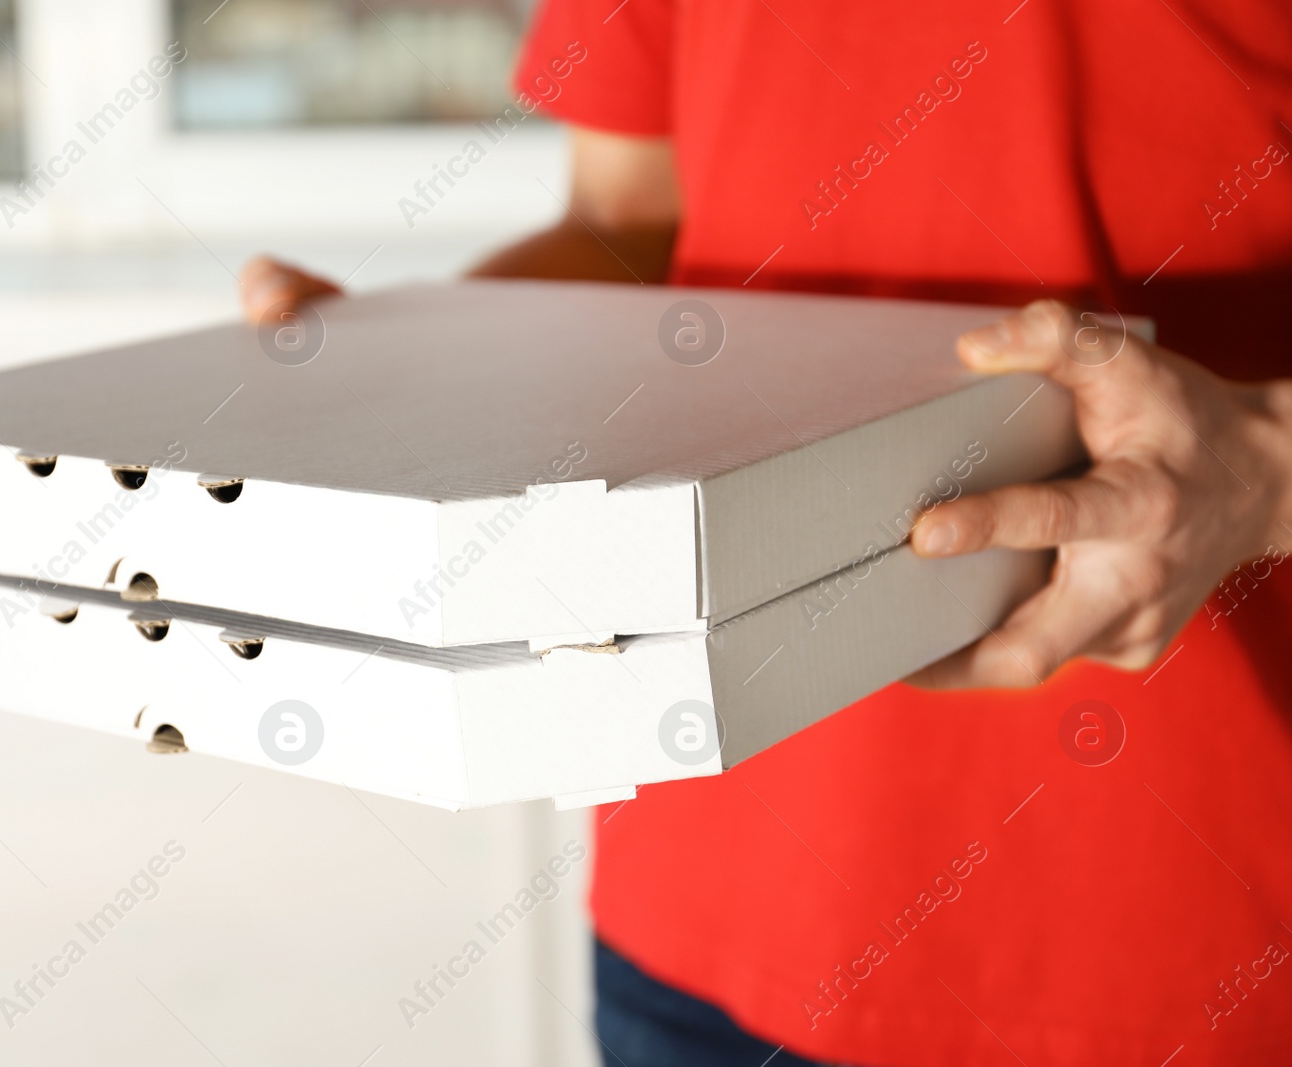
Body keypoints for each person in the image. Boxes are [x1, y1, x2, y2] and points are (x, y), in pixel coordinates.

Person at [242, 1, 1292, 1061]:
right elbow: (629, 216)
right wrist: (431, 354)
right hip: (702, 913)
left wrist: (1262, 469)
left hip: (1186, 947)